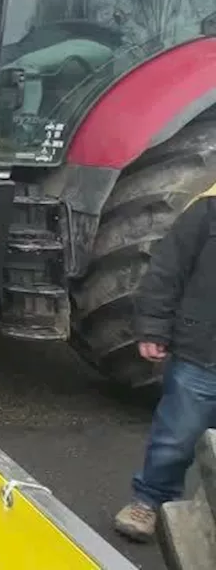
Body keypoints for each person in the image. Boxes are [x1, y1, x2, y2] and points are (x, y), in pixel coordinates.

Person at [114, 189, 216, 542]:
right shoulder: (208, 208)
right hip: (203, 355)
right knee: (175, 439)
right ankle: (150, 501)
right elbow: (168, 270)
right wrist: (155, 328)